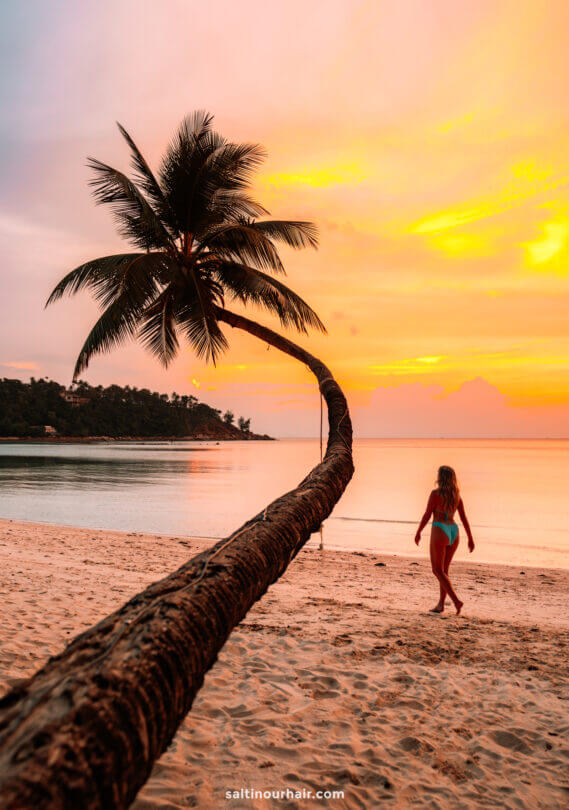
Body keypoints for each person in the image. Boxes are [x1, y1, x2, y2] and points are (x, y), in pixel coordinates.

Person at [414, 465, 475, 615]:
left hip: (440, 528)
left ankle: (456, 601)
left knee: (437, 570)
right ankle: (441, 604)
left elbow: (427, 514)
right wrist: (470, 538)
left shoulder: (435, 494)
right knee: (444, 572)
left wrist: (419, 531)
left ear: (441, 478)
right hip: (454, 531)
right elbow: (464, 518)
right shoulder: (456, 496)